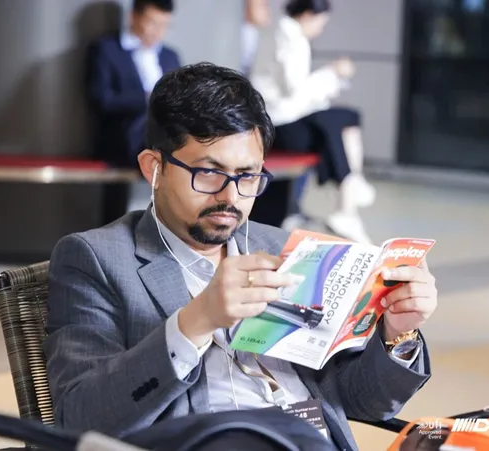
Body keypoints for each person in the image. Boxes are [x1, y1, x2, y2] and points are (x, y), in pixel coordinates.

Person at [45, 62, 437, 451]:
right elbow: (80, 419)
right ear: (155, 168)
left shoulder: (286, 249)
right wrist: (196, 321)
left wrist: (396, 334)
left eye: (248, 176)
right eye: (208, 173)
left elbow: (364, 402)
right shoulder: (96, 259)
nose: (230, 197)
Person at [250, 0, 376, 243]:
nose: (321, 29)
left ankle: (348, 195)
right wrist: (332, 73)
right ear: (308, 15)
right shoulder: (290, 37)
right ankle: (349, 190)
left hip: (278, 121)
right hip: (278, 126)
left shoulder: (283, 32)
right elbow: (294, 90)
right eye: (321, 23)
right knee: (342, 119)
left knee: (339, 120)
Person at [86, 0, 181, 168]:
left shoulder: (170, 56)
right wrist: (148, 99)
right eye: (152, 23)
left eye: (164, 25)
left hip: (167, 131)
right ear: (133, 17)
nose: (158, 32)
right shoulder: (107, 49)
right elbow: (102, 100)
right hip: (123, 137)